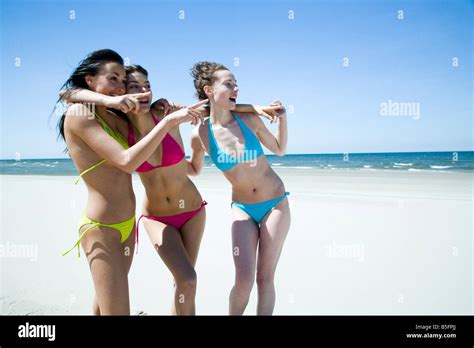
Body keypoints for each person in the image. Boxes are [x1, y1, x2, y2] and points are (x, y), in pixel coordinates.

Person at [58, 49, 202, 315]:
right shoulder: (80, 114)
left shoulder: (115, 117)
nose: (120, 87)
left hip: (126, 225)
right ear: (90, 80)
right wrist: (168, 121)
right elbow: (126, 161)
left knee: (104, 307)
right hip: (101, 228)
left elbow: (202, 108)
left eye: (122, 80)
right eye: (113, 78)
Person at [189, 61, 291, 315]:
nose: (236, 88)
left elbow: (279, 149)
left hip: (275, 202)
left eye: (236, 84)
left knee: (264, 278)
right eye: (229, 84)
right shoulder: (200, 133)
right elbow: (194, 168)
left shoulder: (248, 118)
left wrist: (282, 120)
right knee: (243, 280)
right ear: (209, 90)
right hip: (242, 208)